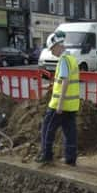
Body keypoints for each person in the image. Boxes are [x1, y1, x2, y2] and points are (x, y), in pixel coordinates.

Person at [37, 30, 80, 166]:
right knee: (69, 132)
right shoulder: (72, 58)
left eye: (52, 48)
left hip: (59, 105)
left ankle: (46, 155)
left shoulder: (63, 60)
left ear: (58, 46)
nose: (51, 52)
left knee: (47, 129)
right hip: (72, 105)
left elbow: (65, 81)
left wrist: (60, 103)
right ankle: (70, 158)